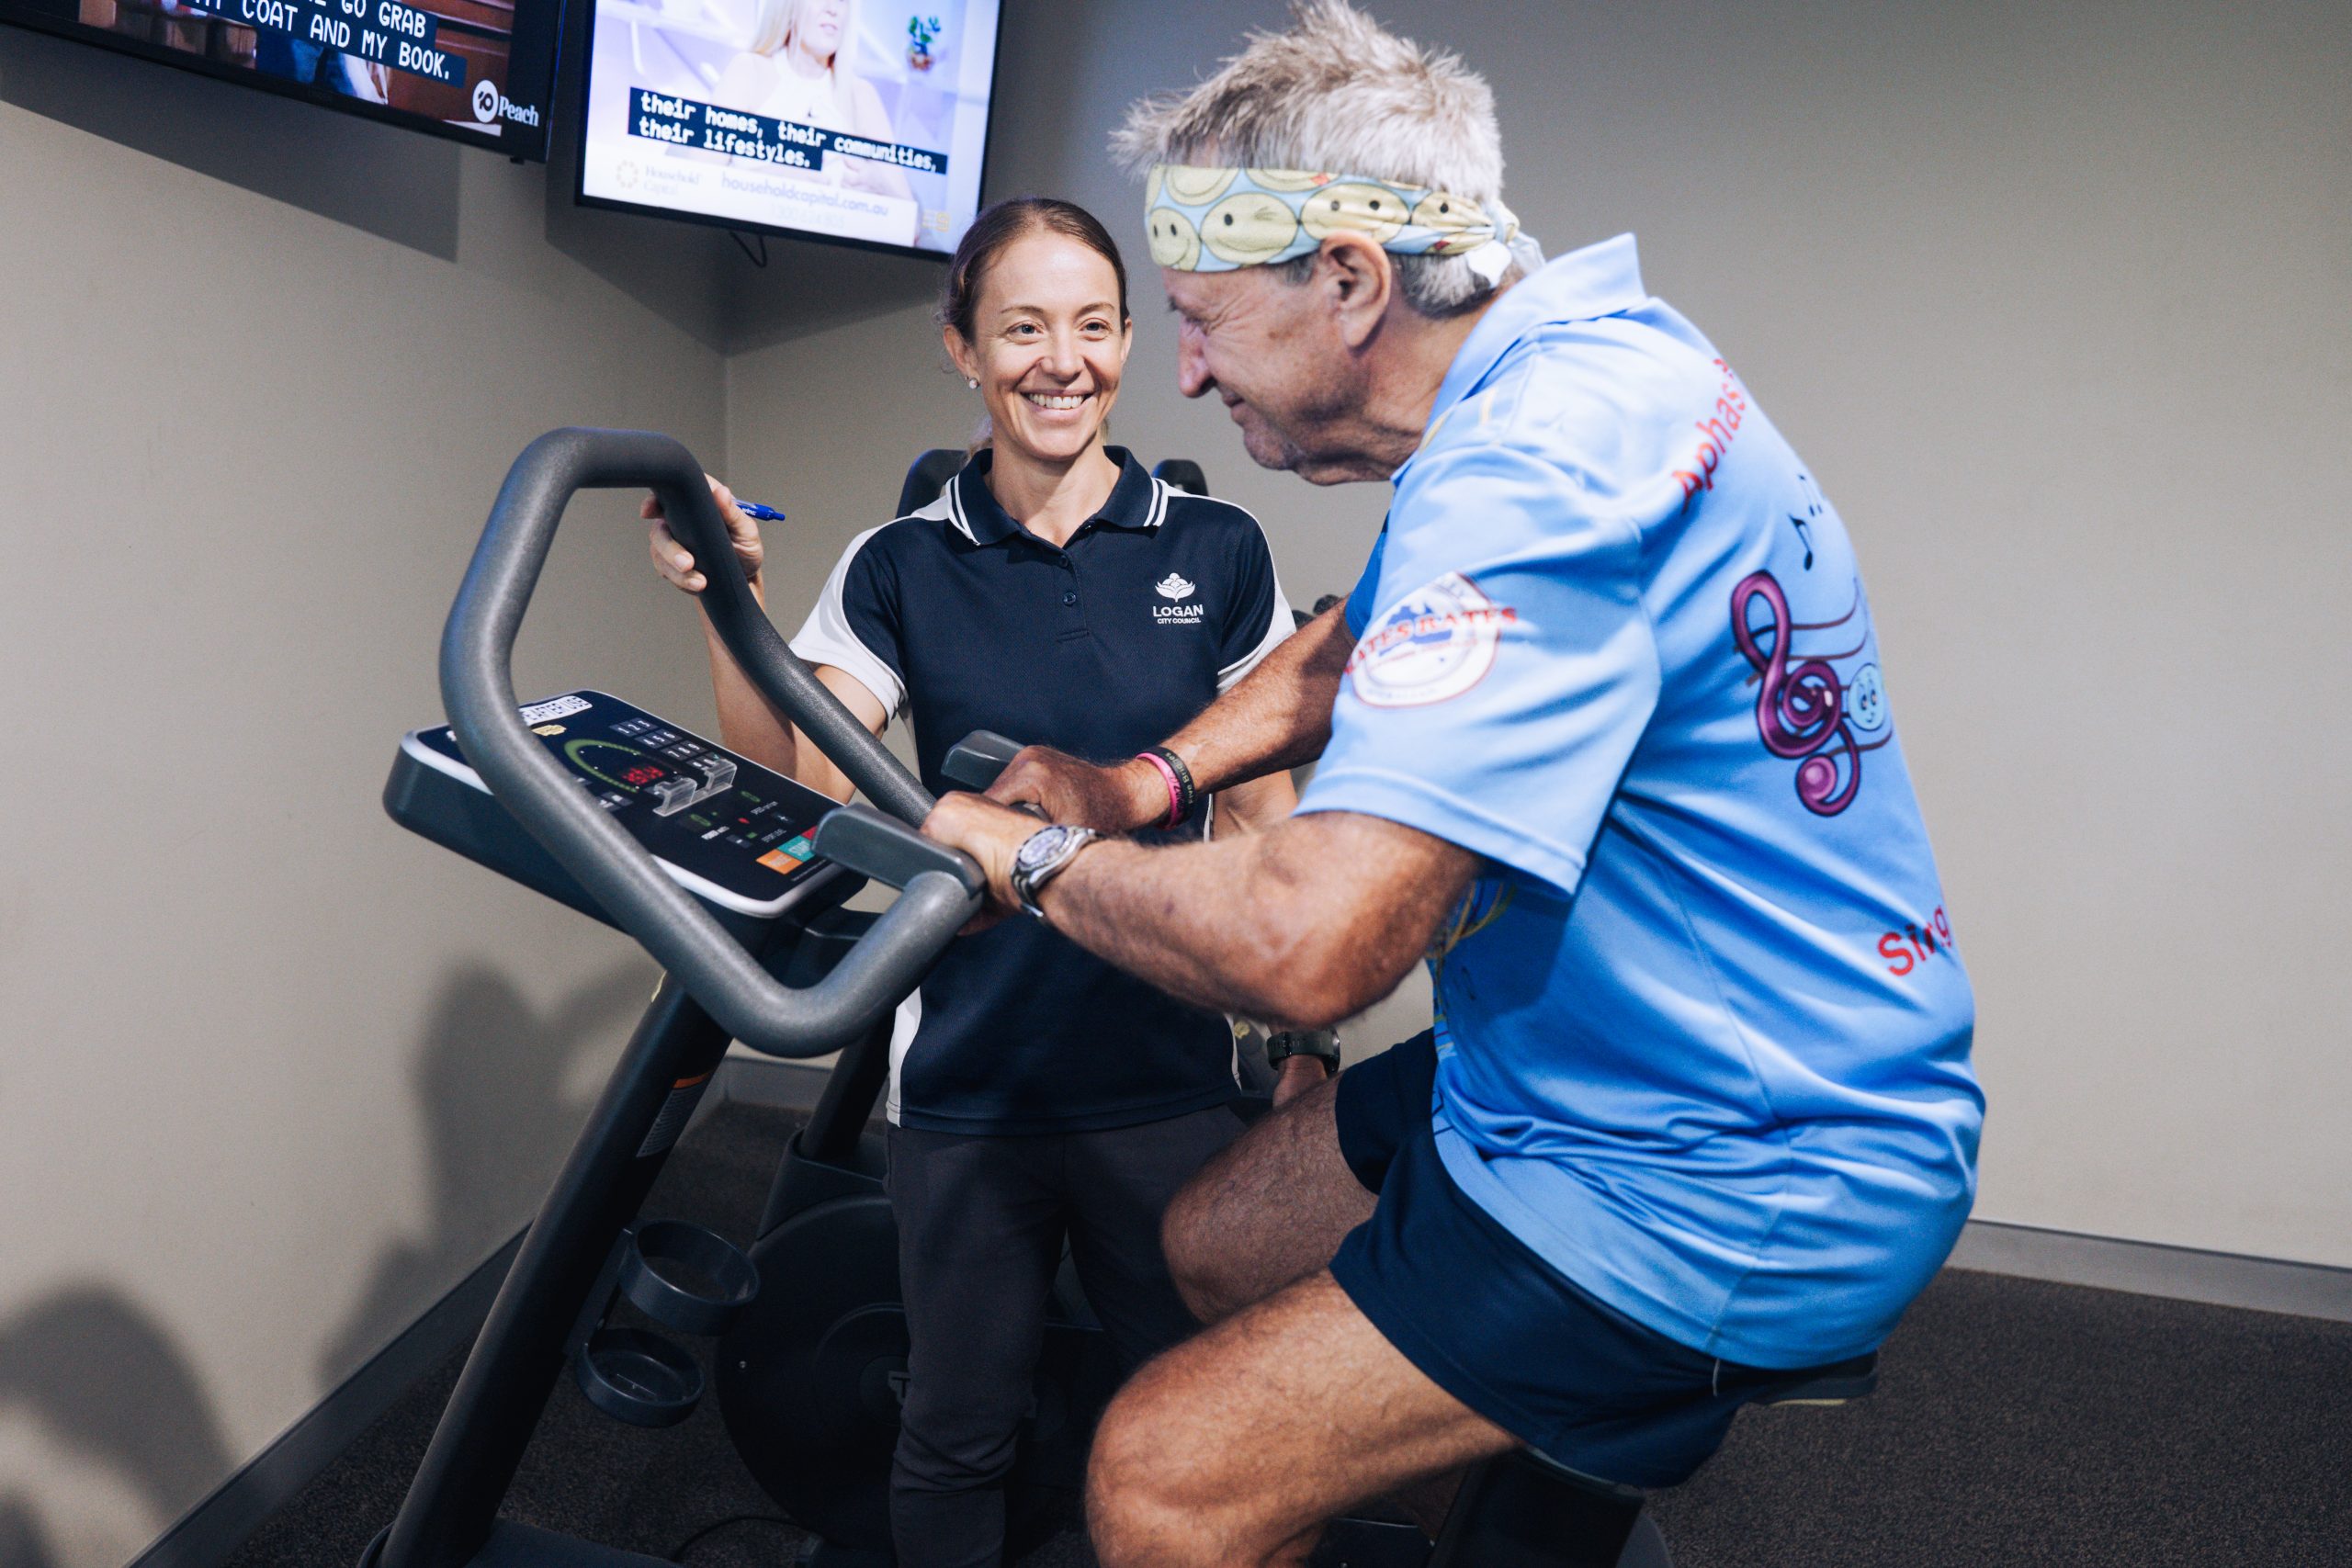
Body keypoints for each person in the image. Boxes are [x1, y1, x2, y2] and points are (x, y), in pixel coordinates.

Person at [918, 6, 1984, 1566]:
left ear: (1352, 281)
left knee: (1161, 1475)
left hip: (1735, 1156)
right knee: (1218, 1238)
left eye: (1204, 320)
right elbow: (1365, 640)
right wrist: (1141, 785)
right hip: (1608, 1067)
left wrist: (1022, 860)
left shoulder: (1532, 472)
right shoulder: (1583, 364)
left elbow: (1312, 942)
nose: (1189, 371)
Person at [645, 197, 1304, 1568]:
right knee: (955, 1429)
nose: (1062, 361)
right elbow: (800, 785)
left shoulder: (1218, 547)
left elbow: (1265, 815)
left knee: (1194, 1428)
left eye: (1092, 325)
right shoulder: (899, 563)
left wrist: (1300, 1038)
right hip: (971, 1086)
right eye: (1022, 328)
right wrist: (725, 601)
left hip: (1166, 1078)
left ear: (1127, 341)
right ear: (962, 347)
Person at [715, 0, 913, 203]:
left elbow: (911, 217)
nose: (832, 9)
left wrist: (880, 188)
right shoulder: (749, 71)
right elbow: (701, 181)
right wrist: (776, 180)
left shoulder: (861, 95)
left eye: (842, 1)